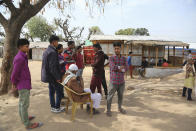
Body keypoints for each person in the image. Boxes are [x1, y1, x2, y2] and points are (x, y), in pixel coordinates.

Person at [11, 39, 42, 129]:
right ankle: (27, 124)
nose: (28, 48)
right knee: (24, 104)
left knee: (22, 103)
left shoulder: (23, 56)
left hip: (24, 83)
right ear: (20, 47)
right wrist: (14, 84)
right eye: (26, 46)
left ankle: (24, 118)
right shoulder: (19, 58)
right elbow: (14, 73)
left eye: (28, 46)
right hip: (23, 84)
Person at [41, 35, 64, 113]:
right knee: (59, 91)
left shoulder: (46, 51)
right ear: (54, 42)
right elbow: (52, 67)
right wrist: (57, 77)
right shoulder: (53, 52)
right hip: (53, 76)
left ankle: (53, 107)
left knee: (51, 92)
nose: (58, 43)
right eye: (57, 42)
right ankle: (57, 107)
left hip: (48, 76)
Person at [106, 42, 128, 117]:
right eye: (115, 48)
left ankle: (119, 108)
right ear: (114, 49)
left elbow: (127, 68)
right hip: (113, 81)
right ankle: (108, 110)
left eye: (118, 48)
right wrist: (120, 67)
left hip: (121, 81)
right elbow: (113, 67)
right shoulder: (111, 58)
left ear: (120, 49)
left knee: (120, 95)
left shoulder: (124, 58)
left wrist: (119, 68)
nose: (116, 50)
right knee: (110, 96)